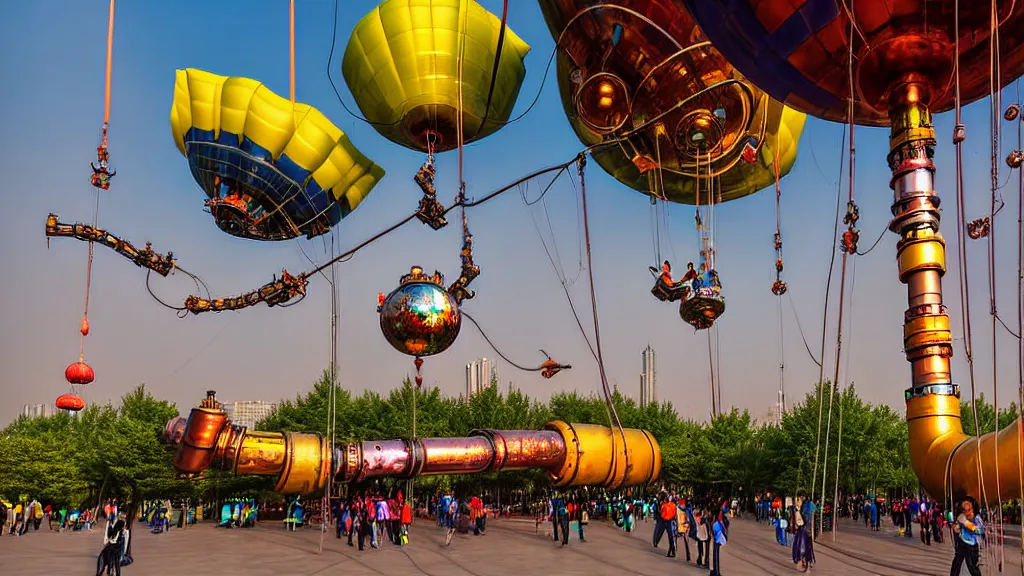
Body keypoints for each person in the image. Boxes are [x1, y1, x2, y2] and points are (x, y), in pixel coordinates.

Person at [950, 497, 984, 576]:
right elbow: (957, 527)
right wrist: (956, 527)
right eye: (964, 510)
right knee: (956, 563)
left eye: (969, 510)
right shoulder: (962, 516)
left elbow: (979, 530)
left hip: (971, 545)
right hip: (961, 542)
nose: (967, 512)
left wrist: (966, 523)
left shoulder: (977, 518)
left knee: (972, 566)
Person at [97, 511, 126, 576]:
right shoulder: (120, 528)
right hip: (115, 547)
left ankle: (108, 572)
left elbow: (106, 538)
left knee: (107, 563)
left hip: (110, 547)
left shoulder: (112, 526)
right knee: (116, 563)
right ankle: (112, 572)